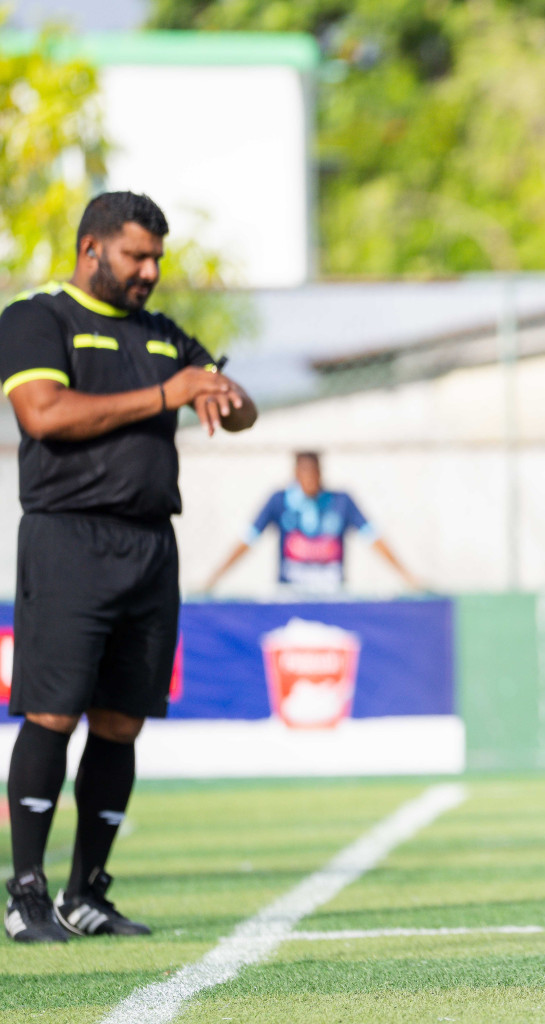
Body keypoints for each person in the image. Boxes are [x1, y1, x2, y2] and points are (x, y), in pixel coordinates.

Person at [1, 191, 257, 943]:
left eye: (155, 259)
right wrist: (168, 394)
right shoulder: (37, 317)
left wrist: (225, 396)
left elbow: (239, 411)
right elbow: (42, 414)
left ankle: (88, 893)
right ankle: (26, 896)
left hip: (150, 547)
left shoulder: (159, 331)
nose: (148, 271)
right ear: (91, 249)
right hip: (67, 540)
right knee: (52, 713)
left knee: (122, 722)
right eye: (135, 256)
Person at [202, 451, 422, 595]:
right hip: (291, 593)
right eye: (303, 473)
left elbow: (374, 538)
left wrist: (407, 576)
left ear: (321, 474)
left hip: (332, 592)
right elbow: (247, 539)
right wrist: (214, 578)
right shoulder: (279, 501)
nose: (309, 480)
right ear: (295, 474)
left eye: (313, 473)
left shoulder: (341, 502)